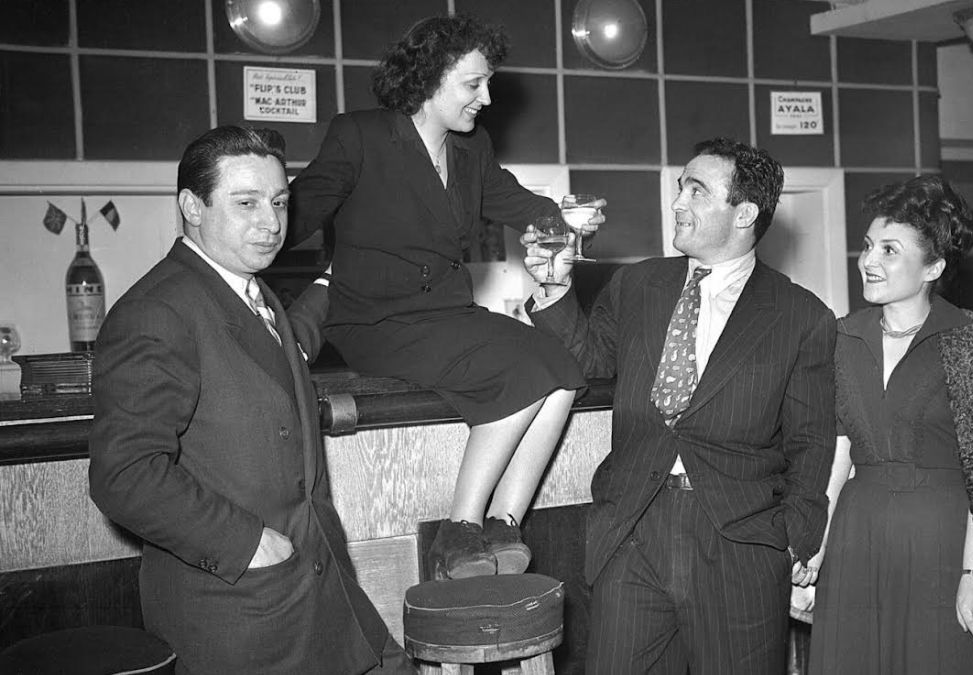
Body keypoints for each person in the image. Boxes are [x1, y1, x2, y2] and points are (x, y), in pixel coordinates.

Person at [89, 126, 409, 673]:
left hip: (322, 598)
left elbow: (276, 355)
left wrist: (338, 279)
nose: (271, 223)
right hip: (243, 614)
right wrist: (247, 542)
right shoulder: (156, 311)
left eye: (279, 202)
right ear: (192, 206)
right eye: (247, 203)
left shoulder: (244, 289)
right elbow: (124, 474)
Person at [288, 15, 595, 579]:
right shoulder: (360, 136)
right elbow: (294, 214)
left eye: (488, 83)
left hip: (447, 314)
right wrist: (244, 218)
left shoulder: (472, 148)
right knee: (523, 372)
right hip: (376, 321)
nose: (487, 97)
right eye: (473, 83)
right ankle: (459, 532)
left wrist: (562, 222)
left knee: (564, 373)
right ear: (428, 79)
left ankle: (504, 524)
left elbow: (517, 202)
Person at [521, 137, 835, 673]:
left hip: (739, 543)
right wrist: (553, 289)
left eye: (697, 190)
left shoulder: (802, 316)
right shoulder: (637, 284)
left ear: (744, 213)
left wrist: (792, 541)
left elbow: (811, 443)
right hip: (633, 528)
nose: (677, 202)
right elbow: (589, 363)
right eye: (680, 187)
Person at [800, 175, 973, 674]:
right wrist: (814, 552)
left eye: (890, 250)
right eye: (868, 245)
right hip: (857, 538)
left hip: (948, 542)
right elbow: (837, 455)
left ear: (933, 267)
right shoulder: (840, 338)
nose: (868, 260)